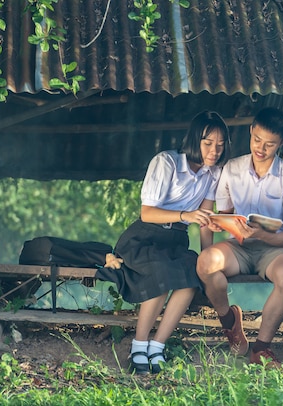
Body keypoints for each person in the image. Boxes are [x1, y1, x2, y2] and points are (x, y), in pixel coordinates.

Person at [96, 111, 230, 374]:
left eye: (220, 144)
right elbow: (147, 213)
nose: (214, 150)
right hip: (144, 236)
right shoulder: (167, 161)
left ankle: (157, 347)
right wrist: (184, 215)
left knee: (191, 278)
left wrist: (207, 259)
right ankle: (139, 345)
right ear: (194, 140)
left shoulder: (213, 173)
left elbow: (203, 220)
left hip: (176, 240)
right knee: (162, 275)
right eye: (208, 143)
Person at [196, 107, 283, 367]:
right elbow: (225, 214)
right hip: (239, 245)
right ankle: (230, 322)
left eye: (269, 144)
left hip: (275, 249)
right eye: (257, 140)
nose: (261, 148)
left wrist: (262, 234)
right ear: (250, 131)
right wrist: (224, 223)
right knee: (206, 262)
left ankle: (261, 348)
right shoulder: (231, 169)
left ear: (282, 143)